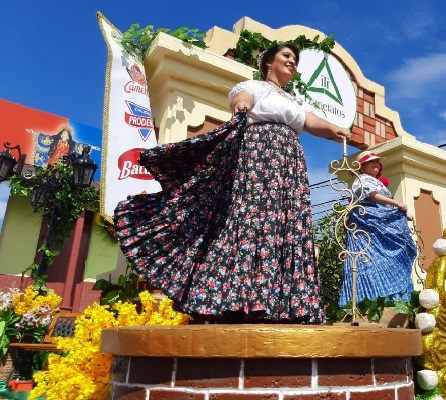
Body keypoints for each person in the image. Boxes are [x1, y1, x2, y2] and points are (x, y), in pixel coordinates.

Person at [114, 43, 351, 324]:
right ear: (268, 63)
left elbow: (310, 121)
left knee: (283, 225)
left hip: (289, 167)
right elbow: (241, 96)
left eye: (295, 59)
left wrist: (336, 129)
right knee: (254, 221)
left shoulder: (294, 100)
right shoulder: (255, 86)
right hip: (259, 161)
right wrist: (241, 104)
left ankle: (284, 304)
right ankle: (241, 300)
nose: (292, 62)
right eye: (286, 56)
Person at [338, 151, 417, 307]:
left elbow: (383, 203)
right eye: (371, 161)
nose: (376, 164)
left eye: (377, 161)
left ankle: (393, 299)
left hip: (377, 224)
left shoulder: (374, 181)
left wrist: (402, 213)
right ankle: (370, 300)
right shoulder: (362, 179)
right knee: (369, 262)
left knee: (389, 259)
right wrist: (397, 204)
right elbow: (372, 196)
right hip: (367, 226)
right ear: (362, 166)